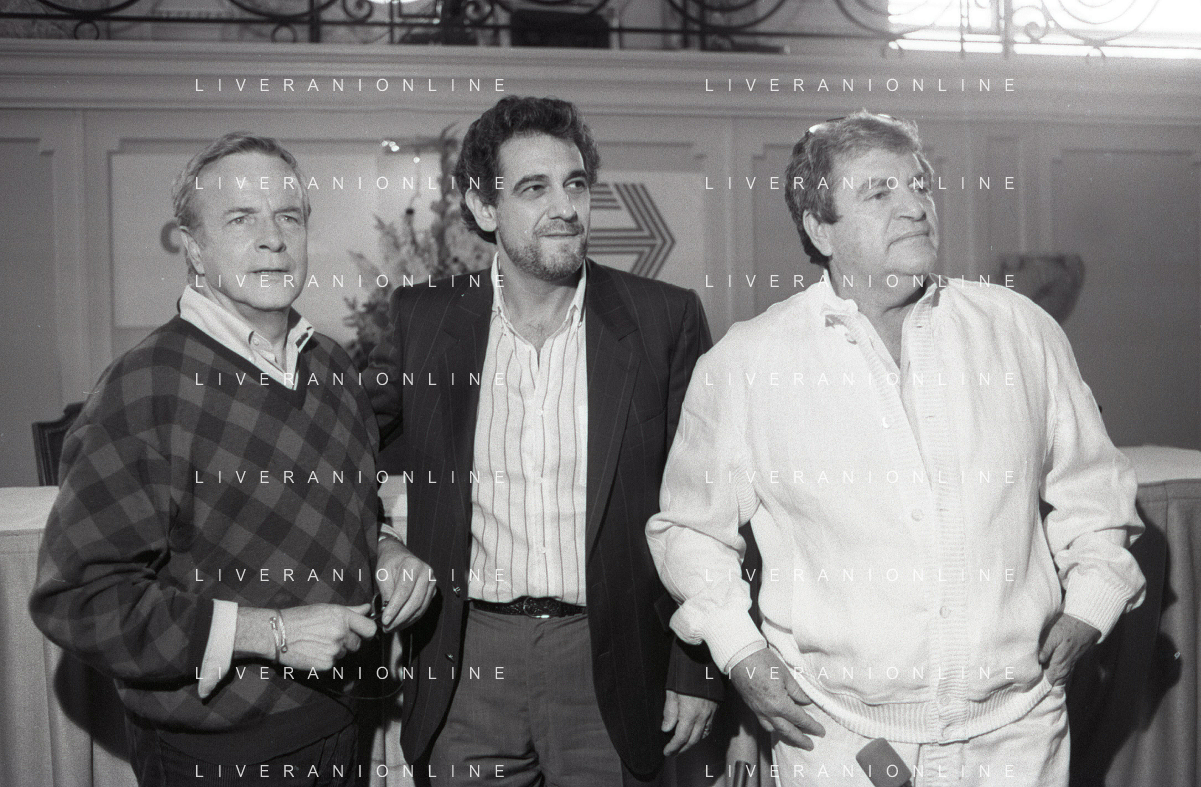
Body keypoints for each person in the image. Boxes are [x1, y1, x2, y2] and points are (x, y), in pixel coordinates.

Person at [647, 111, 1145, 786]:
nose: (914, 206)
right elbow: (690, 531)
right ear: (820, 229)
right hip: (835, 739)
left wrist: (1093, 598)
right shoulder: (746, 363)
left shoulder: (1019, 331)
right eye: (879, 192)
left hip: (1016, 735)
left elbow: (1093, 487)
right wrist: (739, 651)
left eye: (919, 185)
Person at [366, 95, 722, 786]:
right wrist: (381, 543)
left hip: (615, 659)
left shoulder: (662, 320)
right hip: (466, 660)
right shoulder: (425, 321)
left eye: (575, 184)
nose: (565, 207)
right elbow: (341, 456)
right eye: (534, 188)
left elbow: (710, 505)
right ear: (484, 207)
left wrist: (697, 667)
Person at [30, 132, 387, 786]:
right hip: (215, 758)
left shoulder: (333, 367)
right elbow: (79, 598)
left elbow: (354, 513)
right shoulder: (145, 386)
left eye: (288, 216)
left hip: (341, 726)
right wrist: (271, 633)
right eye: (241, 219)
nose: (272, 238)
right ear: (193, 249)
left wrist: (387, 551)